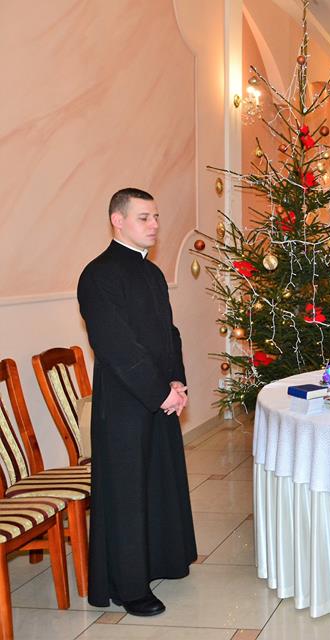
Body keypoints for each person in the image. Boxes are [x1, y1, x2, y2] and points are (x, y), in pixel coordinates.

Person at [77, 188, 196, 616]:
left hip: (159, 394)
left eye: (156, 217)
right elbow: (115, 345)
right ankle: (129, 587)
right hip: (125, 403)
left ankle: (162, 560)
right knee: (127, 493)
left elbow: (169, 333)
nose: (155, 225)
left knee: (158, 481)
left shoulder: (152, 272)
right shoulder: (98, 275)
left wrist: (177, 380)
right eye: (144, 217)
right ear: (118, 220)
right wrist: (160, 391)